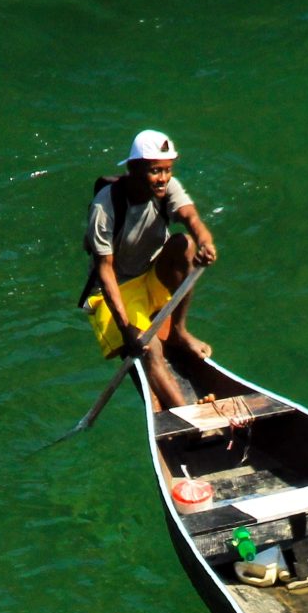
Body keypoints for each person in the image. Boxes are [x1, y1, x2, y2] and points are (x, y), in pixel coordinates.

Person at [83, 129, 217, 410]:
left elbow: (190, 216)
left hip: (150, 275)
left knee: (186, 245)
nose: (163, 178)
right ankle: (189, 414)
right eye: (155, 171)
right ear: (133, 169)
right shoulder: (105, 207)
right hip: (116, 290)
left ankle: (179, 332)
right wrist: (126, 328)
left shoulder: (166, 188)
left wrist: (206, 242)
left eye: (167, 170)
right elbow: (104, 271)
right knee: (149, 347)